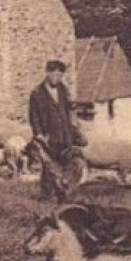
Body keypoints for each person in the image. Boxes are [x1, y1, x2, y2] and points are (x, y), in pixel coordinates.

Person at [28, 59, 84, 197]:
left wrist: (74, 126)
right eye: (54, 75)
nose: (57, 78)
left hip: (65, 134)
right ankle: (47, 193)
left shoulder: (62, 89)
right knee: (49, 165)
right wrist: (39, 134)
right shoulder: (37, 93)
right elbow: (33, 116)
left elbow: (69, 109)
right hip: (49, 135)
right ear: (47, 74)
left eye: (60, 75)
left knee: (66, 162)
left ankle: (65, 191)